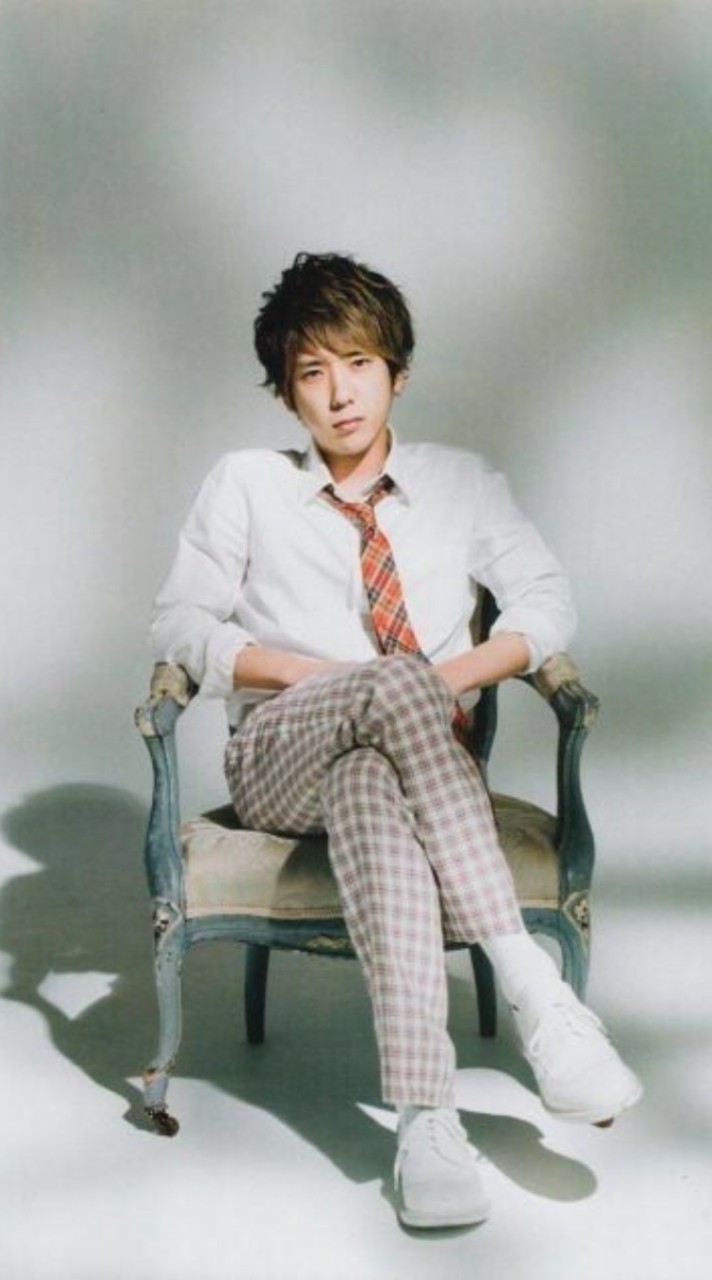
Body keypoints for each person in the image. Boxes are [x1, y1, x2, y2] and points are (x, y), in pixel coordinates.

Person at [151, 251, 642, 1230]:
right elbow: (178, 627)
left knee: (372, 786)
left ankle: (427, 1123)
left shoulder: (462, 484)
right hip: (277, 758)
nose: (339, 394)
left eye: (359, 364)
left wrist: (436, 680)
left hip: (409, 759)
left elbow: (547, 602)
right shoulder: (246, 484)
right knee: (380, 702)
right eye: (312, 372)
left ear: (397, 372)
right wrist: (321, 678)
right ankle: (535, 989)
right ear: (286, 390)